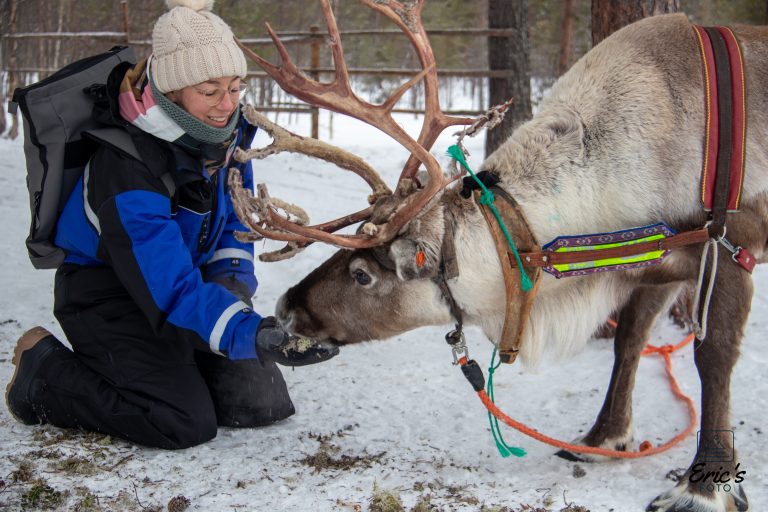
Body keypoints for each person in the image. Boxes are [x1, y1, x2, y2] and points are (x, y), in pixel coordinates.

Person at [5, 0, 338, 450]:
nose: (228, 104)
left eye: (236, 87)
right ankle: (41, 373)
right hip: (110, 295)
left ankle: (180, 357)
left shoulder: (227, 137)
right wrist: (247, 331)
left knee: (259, 404)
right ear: (172, 90)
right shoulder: (126, 166)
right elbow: (169, 290)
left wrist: (233, 293)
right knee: (179, 420)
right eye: (211, 90)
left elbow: (232, 230)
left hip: (184, 282)